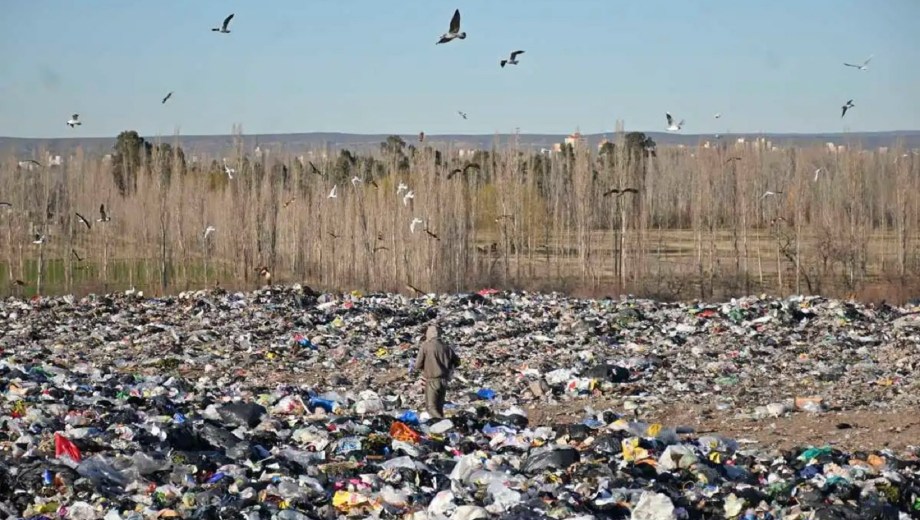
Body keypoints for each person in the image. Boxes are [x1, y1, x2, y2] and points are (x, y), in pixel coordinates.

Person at [412, 324, 460, 419]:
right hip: (444, 380)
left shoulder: (426, 346)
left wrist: (425, 367)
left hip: (432, 380)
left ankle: (445, 422)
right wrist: (447, 366)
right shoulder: (446, 347)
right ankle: (442, 426)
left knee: (431, 408)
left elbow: (417, 365)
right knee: (439, 407)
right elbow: (457, 362)